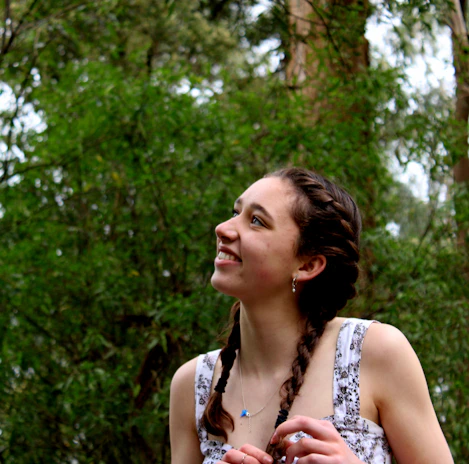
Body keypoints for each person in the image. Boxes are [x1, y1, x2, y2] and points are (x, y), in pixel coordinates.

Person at [170, 167, 454, 464]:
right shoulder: (192, 385)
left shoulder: (375, 352)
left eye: (256, 221)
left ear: (307, 265)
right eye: (235, 212)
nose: (223, 228)